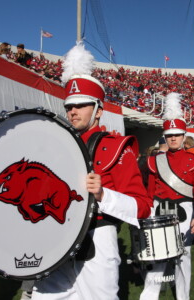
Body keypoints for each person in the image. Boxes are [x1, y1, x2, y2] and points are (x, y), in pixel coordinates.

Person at [31, 43, 152, 300]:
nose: (72, 111)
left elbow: (143, 206)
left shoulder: (116, 147)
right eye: (69, 106)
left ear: (99, 109)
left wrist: (103, 195)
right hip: (57, 237)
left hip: (97, 239)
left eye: (81, 104)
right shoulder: (58, 145)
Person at [140, 93, 194, 300]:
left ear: (183, 135)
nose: (173, 138)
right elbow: (150, 192)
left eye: (177, 135)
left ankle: (183, 297)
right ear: (165, 136)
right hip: (159, 212)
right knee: (157, 258)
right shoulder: (155, 160)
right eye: (169, 135)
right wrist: (148, 215)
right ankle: (148, 296)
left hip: (185, 214)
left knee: (183, 258)